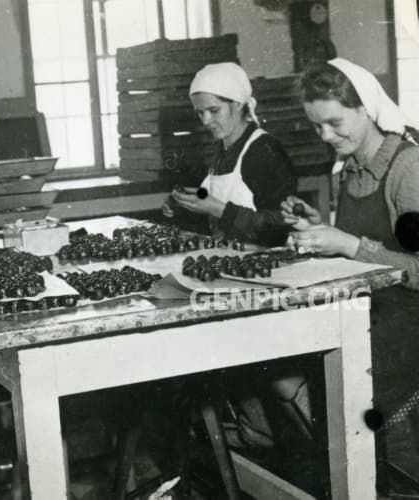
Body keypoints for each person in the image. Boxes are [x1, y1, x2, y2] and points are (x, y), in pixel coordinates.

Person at [280, 58, 419, 463]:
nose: (326, 135)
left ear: (366, 108)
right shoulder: (349, 169)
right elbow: (363, 245)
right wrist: (319, 226)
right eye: (317, 127)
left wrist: (347, 245)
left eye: (335, 123)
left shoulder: (408, 168)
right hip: (373, 309)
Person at [162, 62, 295, 246]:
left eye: (214, 110)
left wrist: (221, 210)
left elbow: (280, 225)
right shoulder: (221, 149)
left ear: (238, 103)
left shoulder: (264, 151)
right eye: (200, 113)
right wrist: (183, 204)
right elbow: (215, 198)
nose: (206, 121)